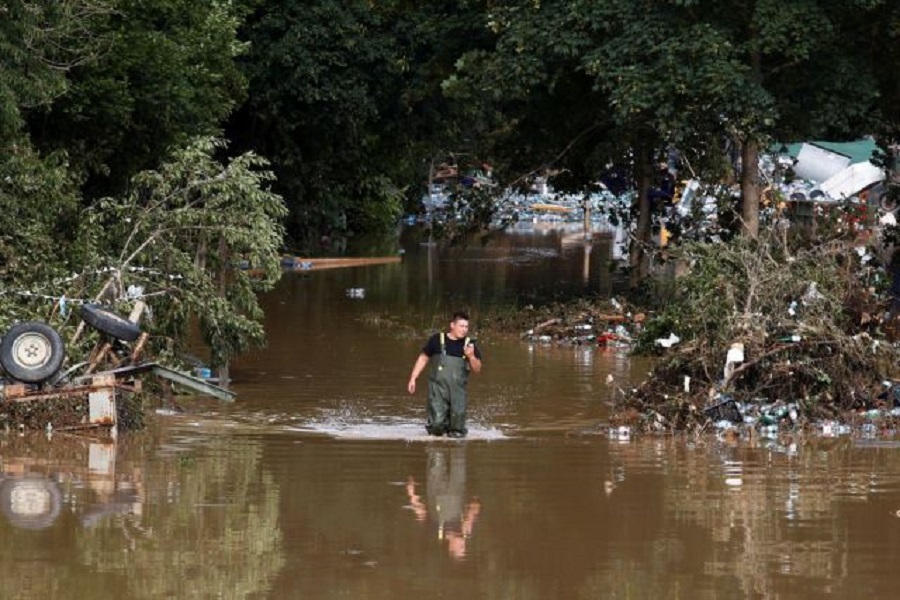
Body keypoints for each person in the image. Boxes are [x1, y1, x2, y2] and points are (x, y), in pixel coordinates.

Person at [407, 311, 482, 438]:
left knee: (457, 431)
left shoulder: (470, 344)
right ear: (452, 325)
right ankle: (437, 452)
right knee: (436, 426)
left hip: (458, 392)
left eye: (466, 327)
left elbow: (478, 369)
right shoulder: (436, 340)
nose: (464, 330)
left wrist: (471, 356)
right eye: (461, 326)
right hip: (438, 390)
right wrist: (413, 378)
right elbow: (423, 358)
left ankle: (456, 451)